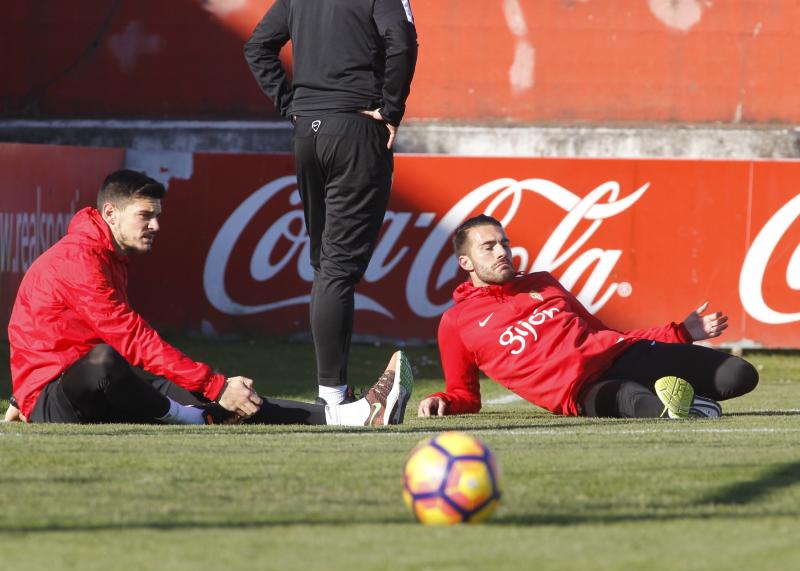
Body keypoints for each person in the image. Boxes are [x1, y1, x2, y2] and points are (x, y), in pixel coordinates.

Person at [6, 169, 413, 426]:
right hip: (62, 397)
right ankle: (188, 420)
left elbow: (36, 327)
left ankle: (352, 415)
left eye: (158, 215)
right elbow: (129, 338)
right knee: (107, 361)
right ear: (110, 214)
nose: (156, 225)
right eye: (145, 215)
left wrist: (217, 388)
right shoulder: (80, 258)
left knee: (235, 397)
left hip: (83, 391)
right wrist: (29, 394)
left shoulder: (106, 253)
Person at [244, 0, 418, 407]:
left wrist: (291, 107)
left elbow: (257, 46)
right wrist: (391, 110)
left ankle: (333, 389)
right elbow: (403, 42)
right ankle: (332, 396)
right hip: (356, 127)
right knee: (336, 271)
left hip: (309, 132)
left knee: (327, 268)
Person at [417, 215, 759, 420]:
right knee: (644, 405)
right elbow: (465, 395)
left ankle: (686, 400)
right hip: (582, 391)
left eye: (503, 242)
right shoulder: (456, 322)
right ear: (466, 264)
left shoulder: (542, 282)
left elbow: (604, 333)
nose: (502, 251)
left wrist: (681, 332)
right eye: (488, 247)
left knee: (739, 374)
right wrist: (442, 400)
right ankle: (688, 405)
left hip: (622, 355)